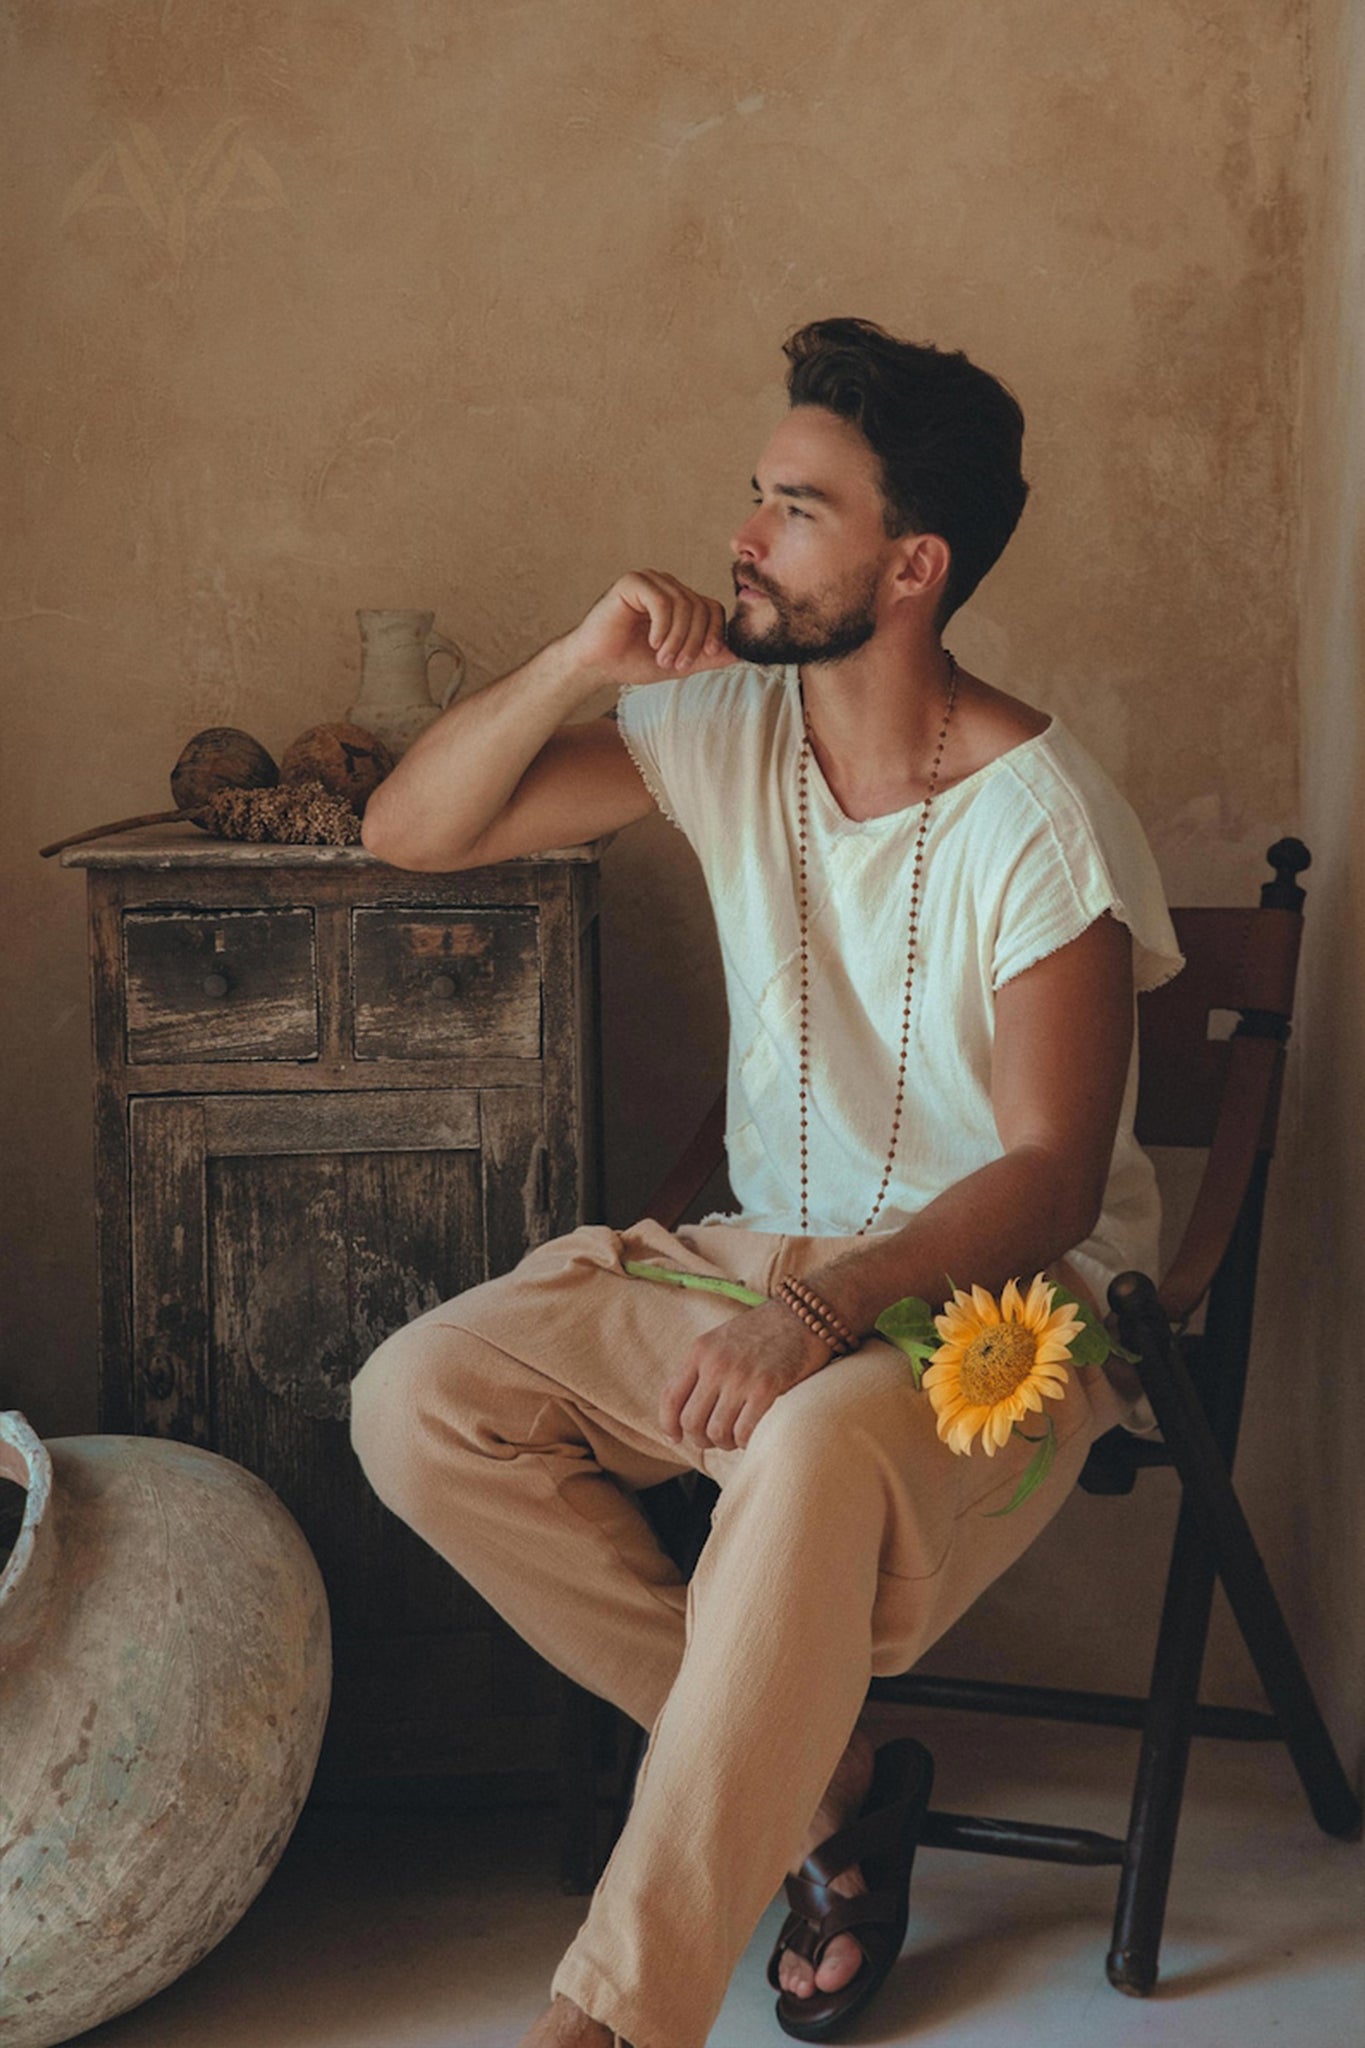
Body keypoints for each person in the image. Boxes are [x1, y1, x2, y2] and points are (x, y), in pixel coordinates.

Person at [349, 316, 1183, 2048]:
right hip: (750, 1256)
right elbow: (408, 832)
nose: (741, 537)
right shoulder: (723, 724)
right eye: (757, 495)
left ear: (911, 565)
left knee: (802, 1444)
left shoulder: (1042, 819)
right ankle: (823, 1793)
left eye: (797, 511)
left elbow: (1048, 1178)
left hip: (994, 1307)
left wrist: (821, 1315)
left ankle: (609, 2016)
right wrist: (574, 663)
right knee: (416, 1399)